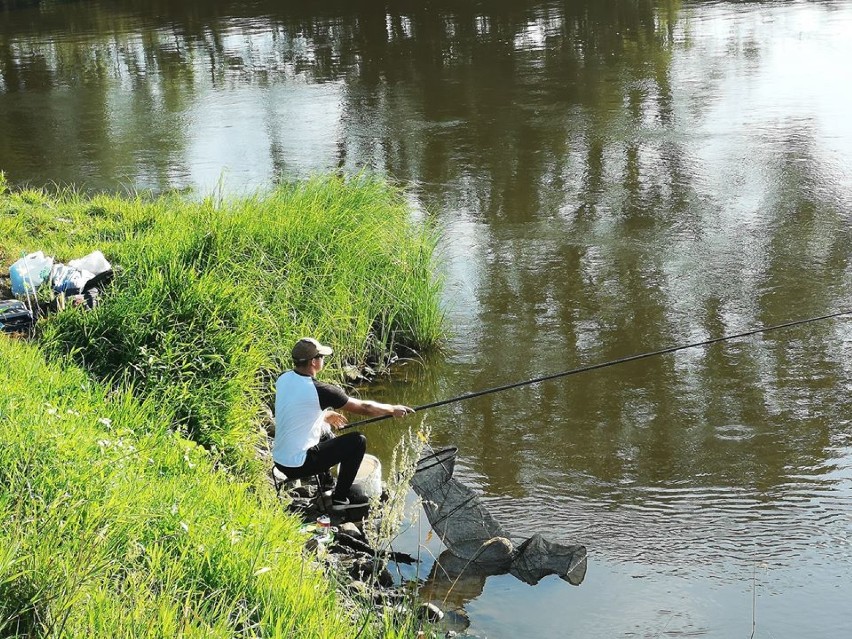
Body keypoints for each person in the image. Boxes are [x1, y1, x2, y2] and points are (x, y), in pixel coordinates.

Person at [273, 337, 415, 511]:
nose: (323, 360)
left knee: (325, 433)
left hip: (280, 460)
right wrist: (392, 409)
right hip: (298, 465)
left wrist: (324, 415)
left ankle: (326, 484)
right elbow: (365, 407)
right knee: (357, 441)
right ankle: (340, 499)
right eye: (321, 357)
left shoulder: (284, 378)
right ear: (313, 362)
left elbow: (296, 407)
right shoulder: (322, 390)